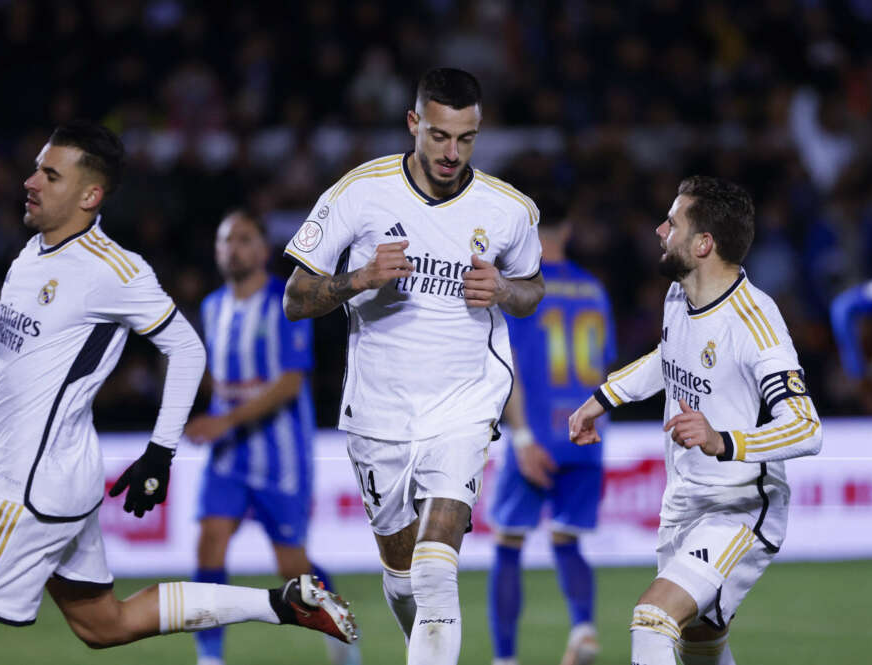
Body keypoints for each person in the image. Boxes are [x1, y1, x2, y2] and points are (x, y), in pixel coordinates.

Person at [0, 121, 356, 665]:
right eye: (36, 168)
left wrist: (160, 453)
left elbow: (187, 350)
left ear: (89, 195)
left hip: (28, 488)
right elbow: (37, 367)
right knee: (103, 623)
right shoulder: (31, 253)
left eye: (50, 174)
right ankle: (282, 605)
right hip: (59, 475)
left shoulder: (113, 269)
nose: (31, 182)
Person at [282, 68, 546, 665]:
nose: (452, 153)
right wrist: (361, 278)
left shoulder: (509, 210)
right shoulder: (359, 193)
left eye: (466, 139)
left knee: (433, 571)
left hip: (464, 404)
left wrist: (503, 288)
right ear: (413, 124)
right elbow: (295, 300)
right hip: (378, 411)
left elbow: (533, 291)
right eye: (439, 136)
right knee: (403, 577)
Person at [569, 176, 822, 665]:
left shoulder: (756, 324)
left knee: (653, 620)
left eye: (674, 222)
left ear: (703, 244)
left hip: (740, 505)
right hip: (684, 498)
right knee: (698, 643)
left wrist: (723, 440)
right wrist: (603, 397)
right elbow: (668, 356)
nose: (660, 230)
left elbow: (807, 426)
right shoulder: (678, 295)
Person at [184, 210, 361, 665]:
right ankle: (210, 656)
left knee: (291, 567)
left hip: (280, 457)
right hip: (228, 458)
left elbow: (288, 385)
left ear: (262, 250)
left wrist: (222, 421)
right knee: (210, 542)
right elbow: (221, 377)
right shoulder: (211, 307)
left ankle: (340, 630)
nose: (233, 249)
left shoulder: (286, 302)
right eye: (226, 241)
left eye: (243, 239)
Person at [487, 194, 615, 665]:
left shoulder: (522, 289)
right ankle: (582, 627)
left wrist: (521, 438)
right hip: (585, 436)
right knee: (567, 539)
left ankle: (505, 659)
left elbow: (509, 366)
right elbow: (604, 367)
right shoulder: (595, 290)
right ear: (570, 230)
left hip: (535, 434)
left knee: (508, 543)